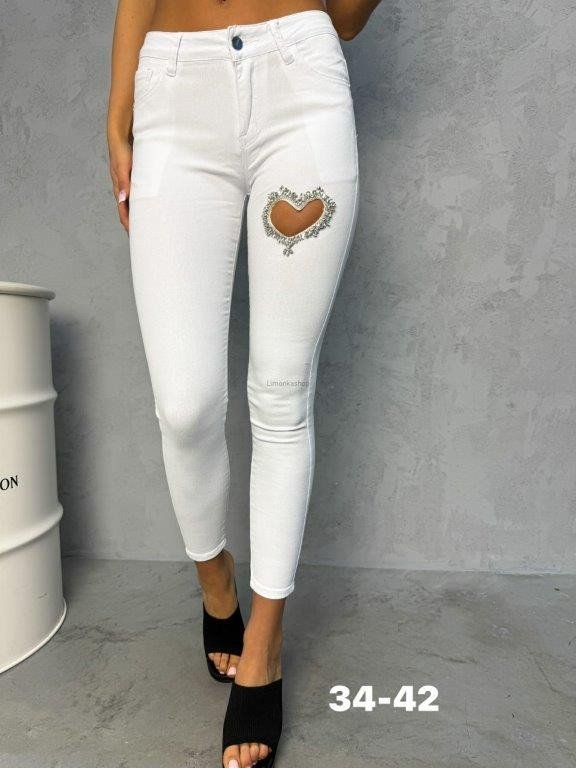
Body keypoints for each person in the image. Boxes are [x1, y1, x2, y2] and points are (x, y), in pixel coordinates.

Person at [107, 2, 381, 766]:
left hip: (299, 84)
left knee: (281, 392)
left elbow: (349, 18)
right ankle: (215, 578)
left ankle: (265, 641)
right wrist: (118, 106)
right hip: (174, 88)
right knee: (184, 405)